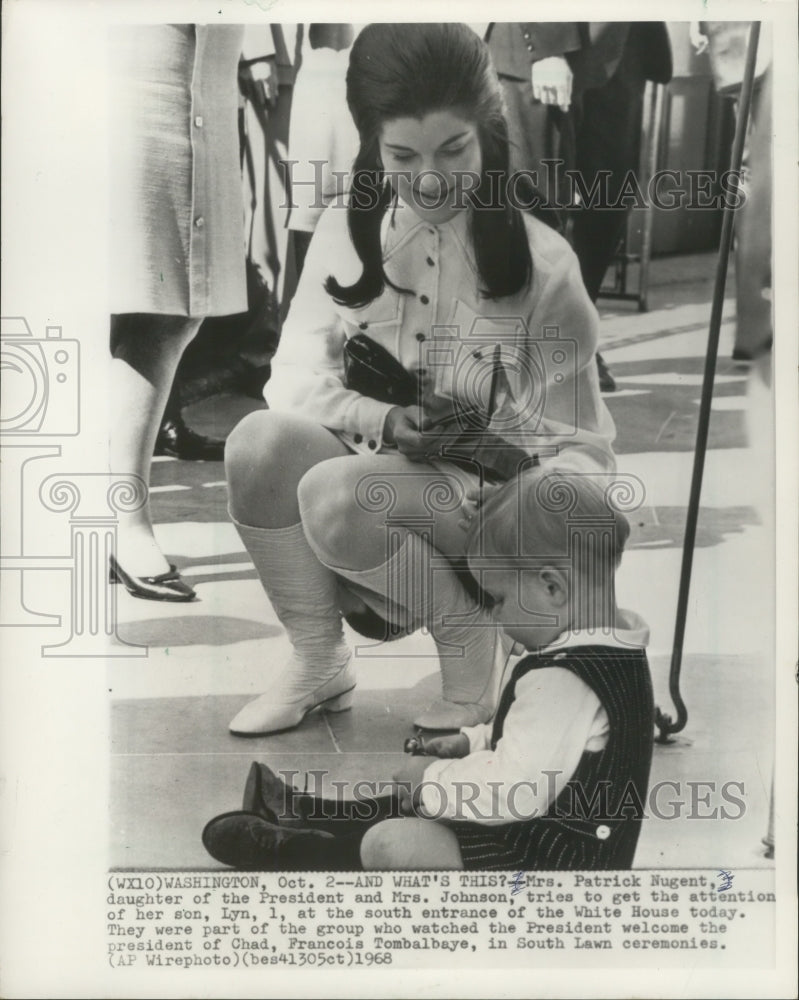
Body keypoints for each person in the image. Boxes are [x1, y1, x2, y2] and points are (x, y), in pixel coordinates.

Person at [224, 22, 617, 736]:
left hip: (492, 519)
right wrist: (381, 419)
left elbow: (585, 452)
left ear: (488, 133)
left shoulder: (544, 262)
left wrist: (515, 500)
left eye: (453, 149)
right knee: (258, 445)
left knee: (340, 491)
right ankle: (317, 659)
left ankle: (470, 645)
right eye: (402, 155)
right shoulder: (346, 230)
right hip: (367, 504)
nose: (430, 178)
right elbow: (289, 381)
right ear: (371, 143)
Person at [202, 468, 654, 871]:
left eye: (497, 599)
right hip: (539, 836)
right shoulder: (609, 653)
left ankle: (301, 852)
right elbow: (546, 744)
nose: (495, 615)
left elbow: (515, 789)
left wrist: (431, 781)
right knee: (432, 807)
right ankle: (318, 814)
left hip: (543, 865)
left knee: (394, 844)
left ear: (552, 587)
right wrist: (473, 742)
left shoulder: (563, 680)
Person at [109, 24, 247, 600]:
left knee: (178, 302)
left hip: (209, 69)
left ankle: (117, 519)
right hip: (131, 64)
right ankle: (122, 523)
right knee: (130, 295)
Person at [487, 22, 673, 391]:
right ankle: (517, 350)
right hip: (545, 44)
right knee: (535, 203)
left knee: (609, 199)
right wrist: (547, 48)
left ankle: (572, 336)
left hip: (622, 47)